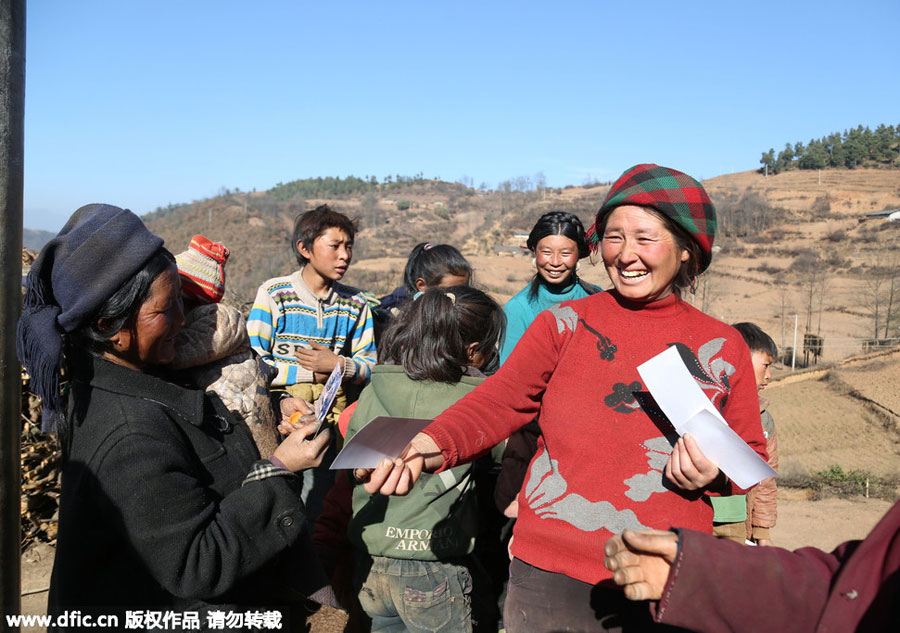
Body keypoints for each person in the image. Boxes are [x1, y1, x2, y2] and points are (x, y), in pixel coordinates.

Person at [358, 163, 769, 632]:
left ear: (686, 249)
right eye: (614, 237)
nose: (626, 255)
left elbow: (749, 458)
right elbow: (499, 401)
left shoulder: (722, 348)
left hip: (663, 571)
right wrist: (427, 445)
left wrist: (713, 473)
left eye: (645, 238)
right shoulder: (565, 325)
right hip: (550, 573)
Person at [16, 204, 339, 630]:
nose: (183, 320)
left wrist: (272, 403)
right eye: (165, 309)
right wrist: (280, 469)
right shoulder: (131, 432)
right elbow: (198, 563)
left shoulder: (143, 374)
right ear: (110, 325)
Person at [247, 203, 376, 519]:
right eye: (334, 246)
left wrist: (339, 365)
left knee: (321, 503)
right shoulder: (274, 294)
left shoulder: (355, 304)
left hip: (331, 423)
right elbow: (253, 363)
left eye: (349, 246)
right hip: (280, 418)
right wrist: (309, 374)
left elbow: (371, 365)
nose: (344, 255)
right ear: (304, 248)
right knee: (279, 495)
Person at [603, 499, 900, 632]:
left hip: (734, 520)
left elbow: (760, 471)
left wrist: (761, 528)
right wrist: (699, 569)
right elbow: (848, 596)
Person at [494, 210, 600, 518]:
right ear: (533, 251)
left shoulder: (596, 302)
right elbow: (512, 381)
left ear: (579, 254)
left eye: (565, 253)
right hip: (533, 433)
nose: (555, 262)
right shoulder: (519, 309)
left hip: (586, 433)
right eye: (546, 252)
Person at [711, 322, 779, 545]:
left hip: (736, 524)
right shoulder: (706, 405)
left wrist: (762, 529)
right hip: (697, 515)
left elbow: (765, 478)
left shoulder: (764, 420)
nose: (769, 375)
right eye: (765, 365)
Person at [372, 241, 472, 342]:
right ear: (422, 285)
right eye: (450, 291)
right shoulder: (407, 326)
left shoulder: (467, 317)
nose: (457, 296)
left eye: (463, 290)